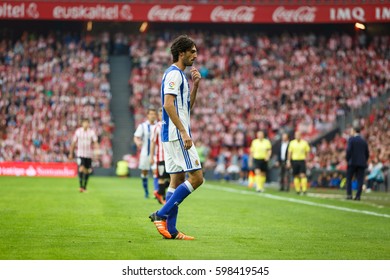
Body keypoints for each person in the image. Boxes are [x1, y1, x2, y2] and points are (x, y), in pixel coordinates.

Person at [149, 35, 204, 240]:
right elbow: (168, 105)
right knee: (197, 178)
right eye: (192, 51)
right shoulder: (174, 75)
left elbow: (185, 108)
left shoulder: (181, 75)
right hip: (176, 134)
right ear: (181, 53)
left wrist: (195, 86)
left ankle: (171, 230)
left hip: (170, 135)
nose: (195, 55)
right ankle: (160, 214)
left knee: (177, 180)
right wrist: (183, 131)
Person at [69, 118, 99, 193]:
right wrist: (71, 153)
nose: (85, 124)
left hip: (88, 154)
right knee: (81, 168)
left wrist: (97, 151)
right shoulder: (78, 131)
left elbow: (95, 142)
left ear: (88, 124)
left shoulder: (91, 132)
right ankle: (80, 187)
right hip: (80, 154)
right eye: (84, 123)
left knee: (87, 171)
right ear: (82, 124)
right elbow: (73, 143)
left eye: (87, 123)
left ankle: (84, 187)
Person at [133, 107, 157, 198]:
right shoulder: (142, 126)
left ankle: (156, 192)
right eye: (151, 114)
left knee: (156, 172)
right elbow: (136, 136)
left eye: (154, 114)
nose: (153, 116)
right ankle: (146, 192)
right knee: (145, 172)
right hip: (145, 153)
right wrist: (137, 142)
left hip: (156, 153)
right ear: (147, 115)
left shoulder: (158, 125)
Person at [150, 108, 170, 205]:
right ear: (158, 115)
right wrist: (151, 156)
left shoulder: (170, 125)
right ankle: (162, 197)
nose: (162, 114)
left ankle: (159, 192)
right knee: (161, 178)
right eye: (160, 113)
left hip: (171, 157)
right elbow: (153, 142)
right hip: (161, 157)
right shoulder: (156, 127)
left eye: (163, 113)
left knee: (173, 178)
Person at [346, 126, 369, 200]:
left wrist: (347, 159)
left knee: (349, 178)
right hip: (362, 163)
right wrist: (364, 160)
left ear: (354, 131)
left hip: (352, 162)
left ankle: (349, 195)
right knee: (360, 180)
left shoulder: (351, 139)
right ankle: (358, 196)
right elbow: (367, 153)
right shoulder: (363, 140)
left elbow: (349, 151)